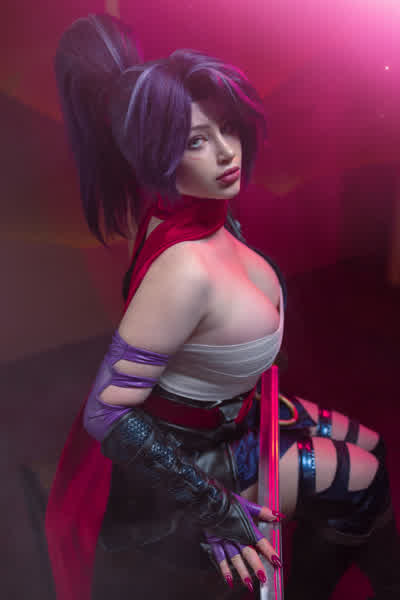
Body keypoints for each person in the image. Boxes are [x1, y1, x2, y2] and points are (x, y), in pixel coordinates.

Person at [45, 12, 400, 600]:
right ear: (157, 155)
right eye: (195, 141)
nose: (226, 152)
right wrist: (216, 509)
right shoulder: (183, 268)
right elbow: (106, 414)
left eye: (227, 128)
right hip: (204, 463)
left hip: (243, 411)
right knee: (367, 482)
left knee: (373, 445)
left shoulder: (196, 211)